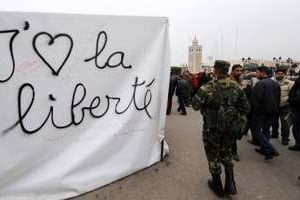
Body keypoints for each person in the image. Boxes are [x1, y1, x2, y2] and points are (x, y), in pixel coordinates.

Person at [192, 60, 250, 197]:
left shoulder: (208, 87)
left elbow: (194, 105)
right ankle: (230, 183)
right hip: (229, 129)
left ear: (216, 71)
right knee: (227, 153)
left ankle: (217, 185)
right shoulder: (237, 87)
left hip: (212, 128)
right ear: (228, 71)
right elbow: (246, 108)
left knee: (213, 154)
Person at [250, 66, 281, 160]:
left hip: (261, 111)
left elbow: (256, 100)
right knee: (266, 130)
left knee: (256, 131)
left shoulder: (260, 83)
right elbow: (278, 98)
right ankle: (266, 151)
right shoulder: (276, 84)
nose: (256, 74)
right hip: (272, 111)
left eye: (257, 72)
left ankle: (271, 149)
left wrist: (253, 111)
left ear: (263, 72)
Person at [270, 67, 294, 145]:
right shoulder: (271, 82)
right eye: (278, 73)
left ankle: (285, 138)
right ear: (275, 74)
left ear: (284, 74)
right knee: (274, 121)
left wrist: (288, 102)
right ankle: (274, 133)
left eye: (281, 74)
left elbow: (293, 94)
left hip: (285, 106)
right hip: (274, 105)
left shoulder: (289, 83)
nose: (280, 75)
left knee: (285, 123)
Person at [230, 64, 244, 161]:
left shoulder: (240, 81)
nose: (239, 72)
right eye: (237, 70)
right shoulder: (230, 82)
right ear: (233, 71)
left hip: (237, 112)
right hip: (228, 111)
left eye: (240, 71)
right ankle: (232, 152)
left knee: (234, 133)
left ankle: (233, 151)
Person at [287, 74, 300, 151]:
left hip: (297, 109)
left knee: (296, 128)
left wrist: (291, 101)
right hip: (296, 108)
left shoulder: (298, 83)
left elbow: (297, 98)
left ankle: (298, 144)